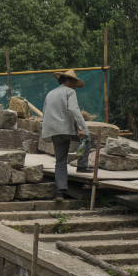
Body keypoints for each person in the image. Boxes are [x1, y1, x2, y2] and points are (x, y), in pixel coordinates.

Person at [41, 69, 90, 202]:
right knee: (87, 139)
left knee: (60, 160)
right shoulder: (70, 91)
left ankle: (59, 192)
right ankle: (82, 166)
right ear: (67, 81)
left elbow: (45, 113)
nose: (75, 86)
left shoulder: (50, 93)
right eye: (74, 82)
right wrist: (80, 128)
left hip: (54, 131)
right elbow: (73, 110)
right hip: (67, 128)